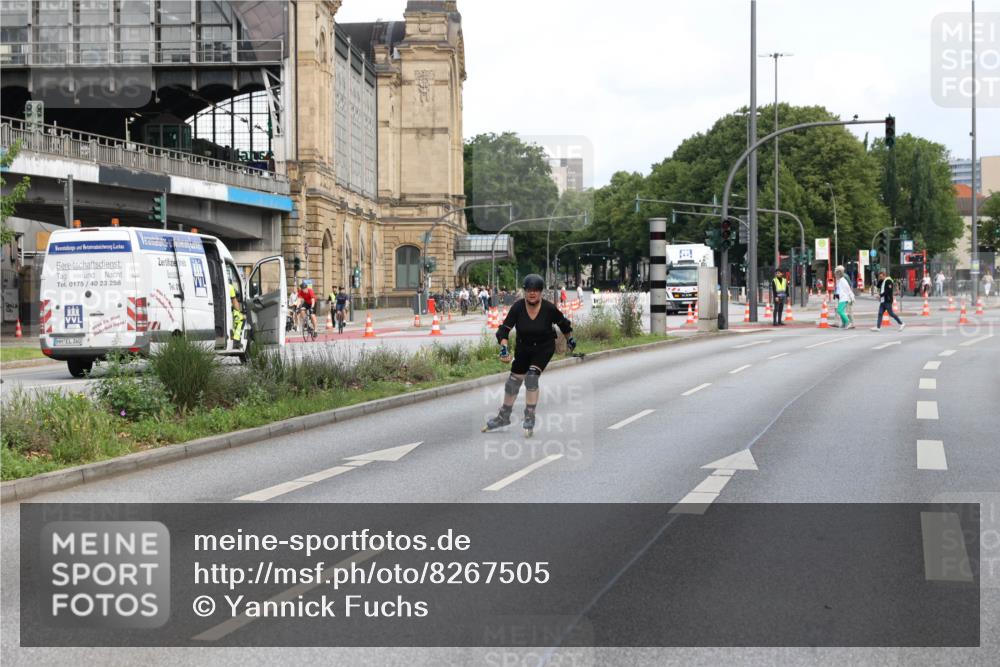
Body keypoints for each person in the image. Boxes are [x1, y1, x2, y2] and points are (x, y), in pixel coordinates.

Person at [484, 274, 575, 435]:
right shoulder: (518, 307)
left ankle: (529, 416)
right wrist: (504, 349)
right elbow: (504, 330)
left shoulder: (549, 309)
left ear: (541, 292)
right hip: (523, 348)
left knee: (531, 377)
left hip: (544, 347)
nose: (532, 294)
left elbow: (563, 325)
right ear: (524, 292)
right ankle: (503, 416)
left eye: (536, 291)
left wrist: (570, 340)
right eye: (529, 291)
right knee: (512, 382)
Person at [833, 265, 855, 329]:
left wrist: (851, 297)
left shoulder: (843, 280)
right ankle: (844, 323)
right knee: (840, 310)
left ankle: (848, 322)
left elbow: (848, 289)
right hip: (842, 298)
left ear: (839, 274)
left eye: (836, 273)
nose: (835, 275)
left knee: (839, 310)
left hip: (844, 298)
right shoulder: (840, 280)